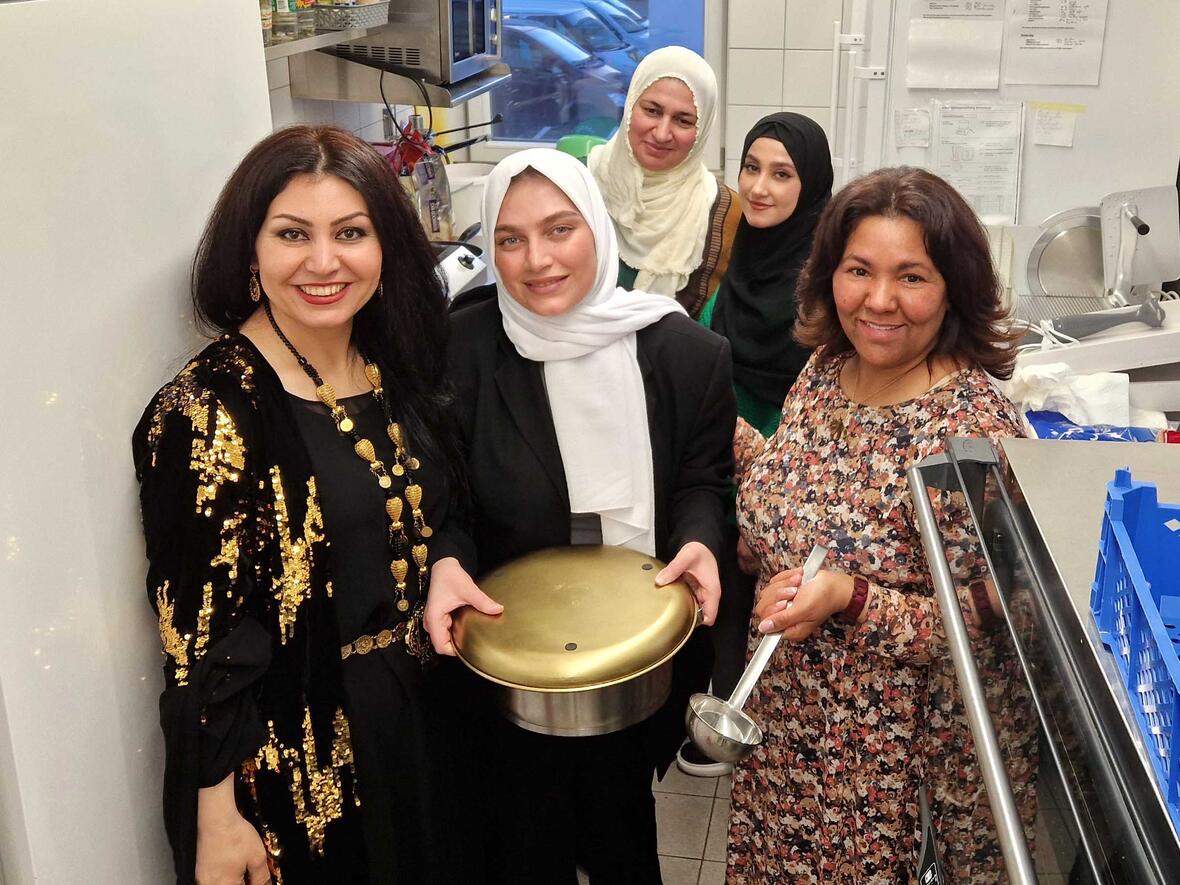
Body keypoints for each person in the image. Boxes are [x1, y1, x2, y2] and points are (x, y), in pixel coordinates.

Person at [133, 125, 478, 885]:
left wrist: (447, 561)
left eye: (350, 232)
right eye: (293, 234)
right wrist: (216, 817)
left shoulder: (394, 361)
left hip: (423, 716)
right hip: (303, 760)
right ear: (249, 253)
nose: (324, 262)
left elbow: (437, 504)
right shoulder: (210, 412)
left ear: (385, 246)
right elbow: (197, 642)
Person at [425, 147, 737, 883]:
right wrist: (446, 556)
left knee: (620, 824)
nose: (537, 259)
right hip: (510, 657)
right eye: (510, 238)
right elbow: (448, 496)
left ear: (597, 227)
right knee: (523, 838)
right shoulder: (461, 352)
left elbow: (701, 481)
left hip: (639, 651)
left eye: (560, 229)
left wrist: (699, 541)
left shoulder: (685, 354)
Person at [726, 167, 1038, 882]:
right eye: (858, 269)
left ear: (953, 286)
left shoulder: (968, 435)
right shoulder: (827, 367)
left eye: (912, 277)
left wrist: (851, 597)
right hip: (787, 728)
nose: (879, 300)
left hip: (888, 768)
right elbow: (801, 482)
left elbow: (1003, 612)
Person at [677, 112, 833, 777]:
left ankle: (759, 712)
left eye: (782, 173)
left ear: (814, 184)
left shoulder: (825, 287)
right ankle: (721, 700)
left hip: (785, 468)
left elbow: (820, 408)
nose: (761, 187)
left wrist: (761, 482)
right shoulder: (738, 261)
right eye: (751, 168)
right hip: (724, 456)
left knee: (773, 592)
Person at [588, 46, 740, 317]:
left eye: (683, 120)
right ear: (631, 105)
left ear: (702, 130)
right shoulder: (579, 185)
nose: (661, 133)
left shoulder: (727, 213)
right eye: (652, 111)